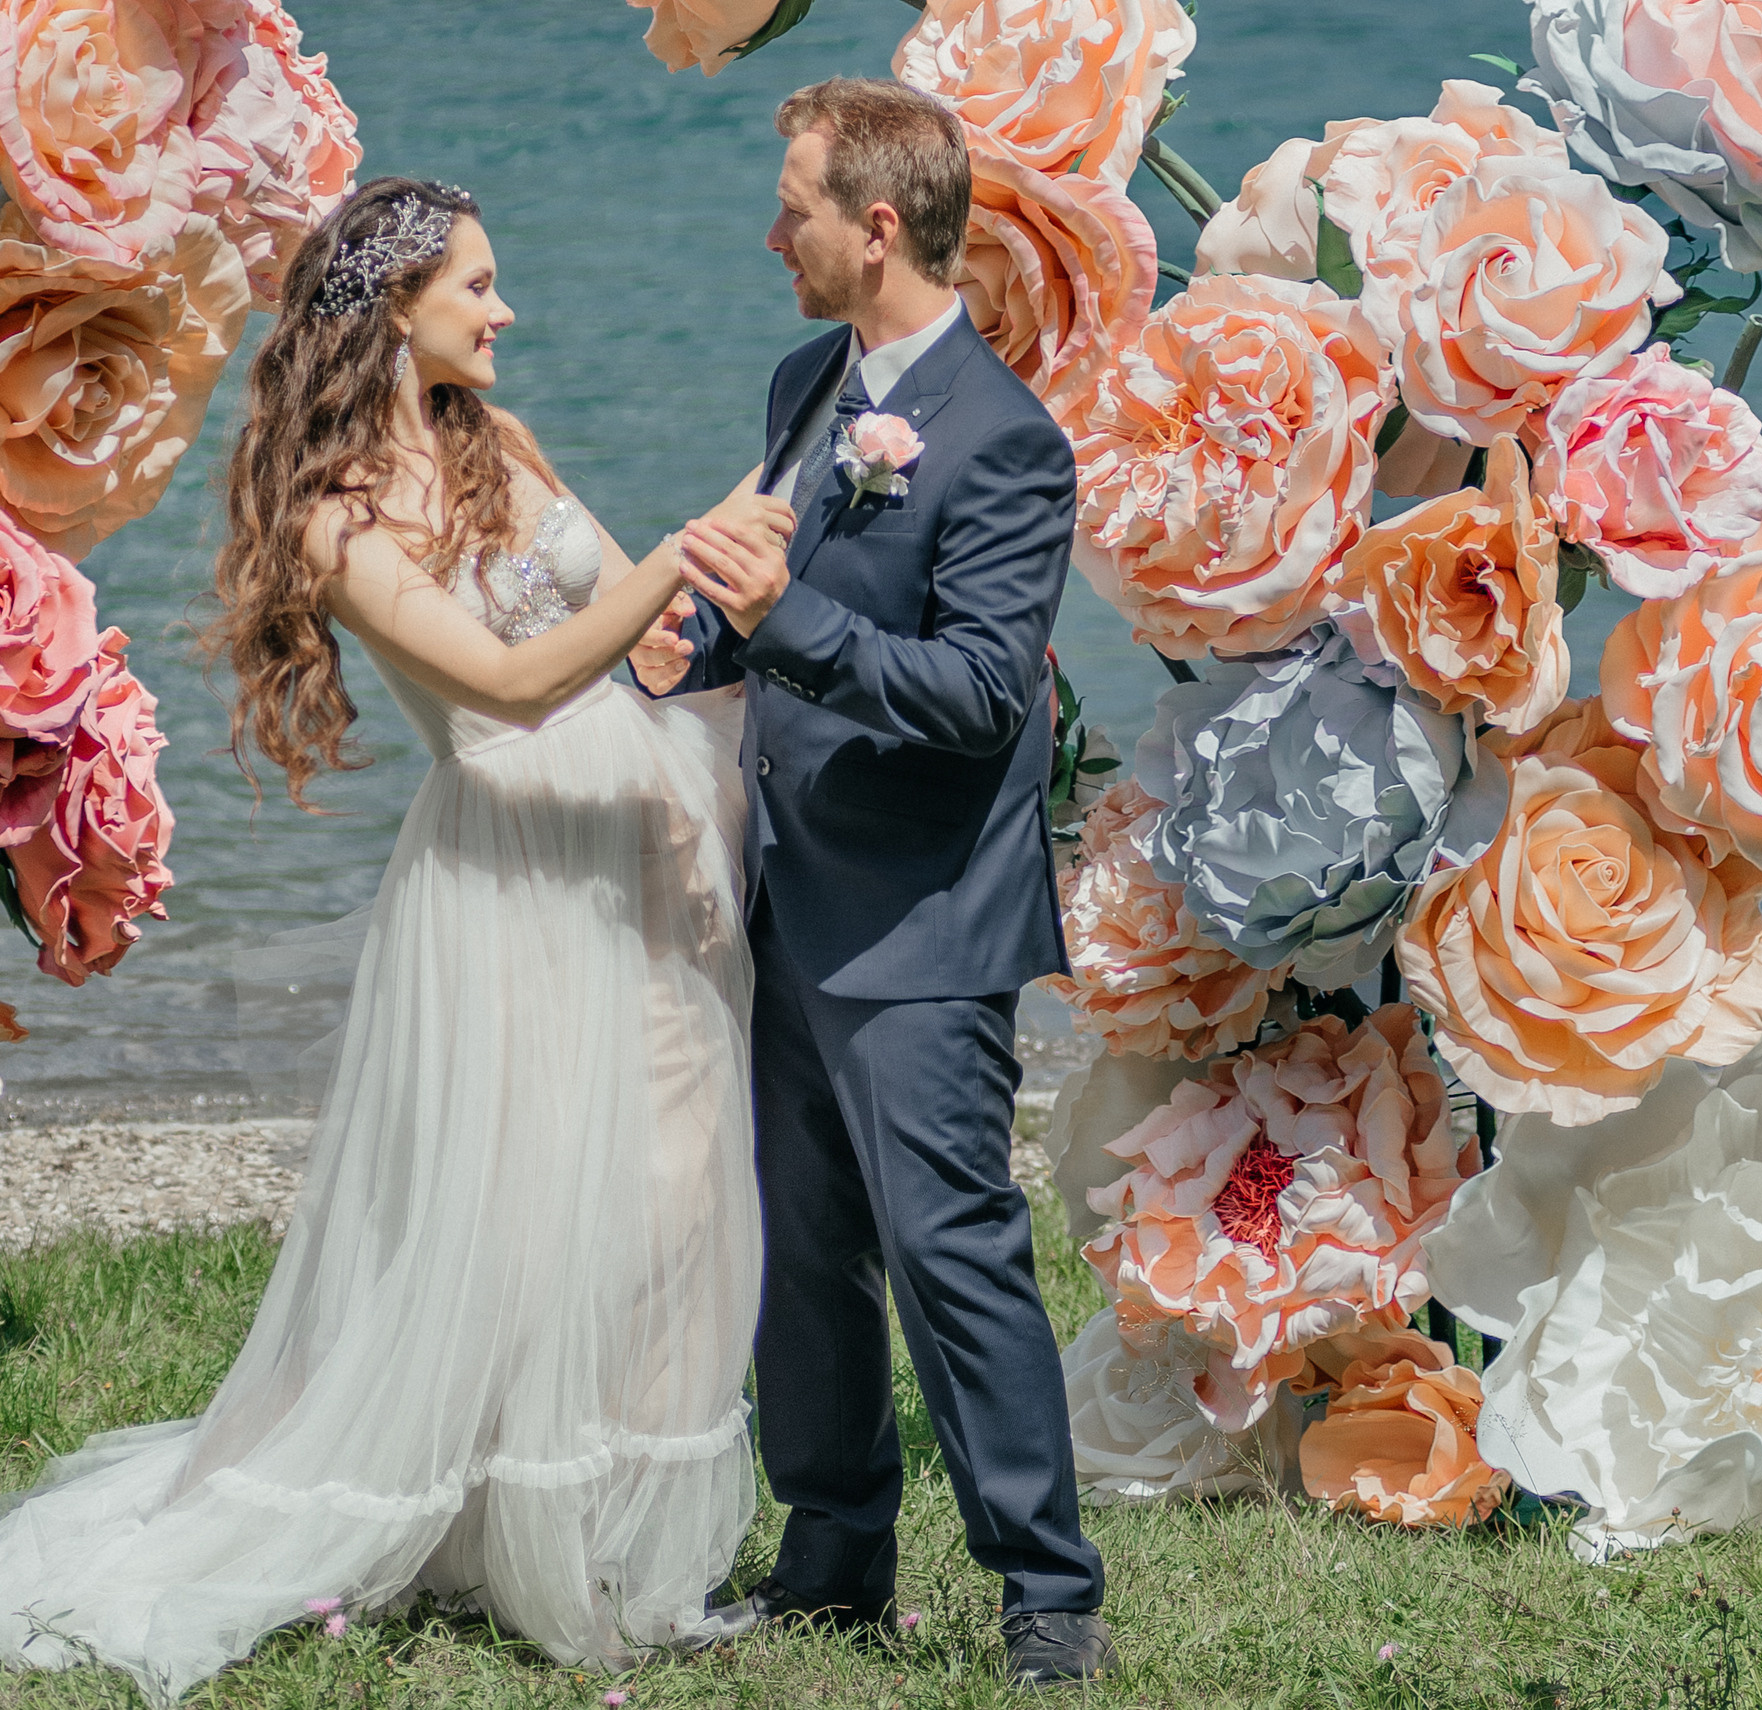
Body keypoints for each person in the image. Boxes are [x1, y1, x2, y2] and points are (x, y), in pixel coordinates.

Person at [0, 177, 792, 1703]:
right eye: (477, 282)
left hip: (639, 826)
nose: (504, 308)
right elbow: (511, 686)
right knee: (535, 1197)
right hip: (513, 870)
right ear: (394, 310)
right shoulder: (336, 520)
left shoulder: (496, 443)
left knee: (670, 1183)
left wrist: (680, 623)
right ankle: (527, 1528)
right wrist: (688, 549)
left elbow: (613, 632)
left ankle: (628, 1539)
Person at [634, 78, 1113, 1688]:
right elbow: (776, 575)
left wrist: (777, 628)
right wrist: (689, 640)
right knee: (800, 1246)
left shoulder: (1009, 444)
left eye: (796, 208)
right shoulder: (804, 379)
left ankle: (1047, 1591)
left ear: (878, 226)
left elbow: (984, 692)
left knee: (951, 1252)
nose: (775, 232)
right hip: (788, 892)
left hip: (924, 920)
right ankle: (833, 1552)